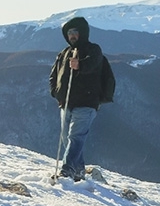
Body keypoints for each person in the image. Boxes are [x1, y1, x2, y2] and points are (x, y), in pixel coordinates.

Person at [49, 16, 114, 181]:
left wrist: (80, 65)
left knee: (75, 137)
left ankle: (67, 171)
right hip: (66, 103)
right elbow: (54, 75)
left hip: (87, 103)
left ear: (82, 33)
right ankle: (79, 173)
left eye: (75, 32)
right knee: (67, 139)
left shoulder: (93, 50)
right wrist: (56, 92)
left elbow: (92, 64)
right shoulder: (64, 53)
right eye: (69, 32)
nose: (72, 35)